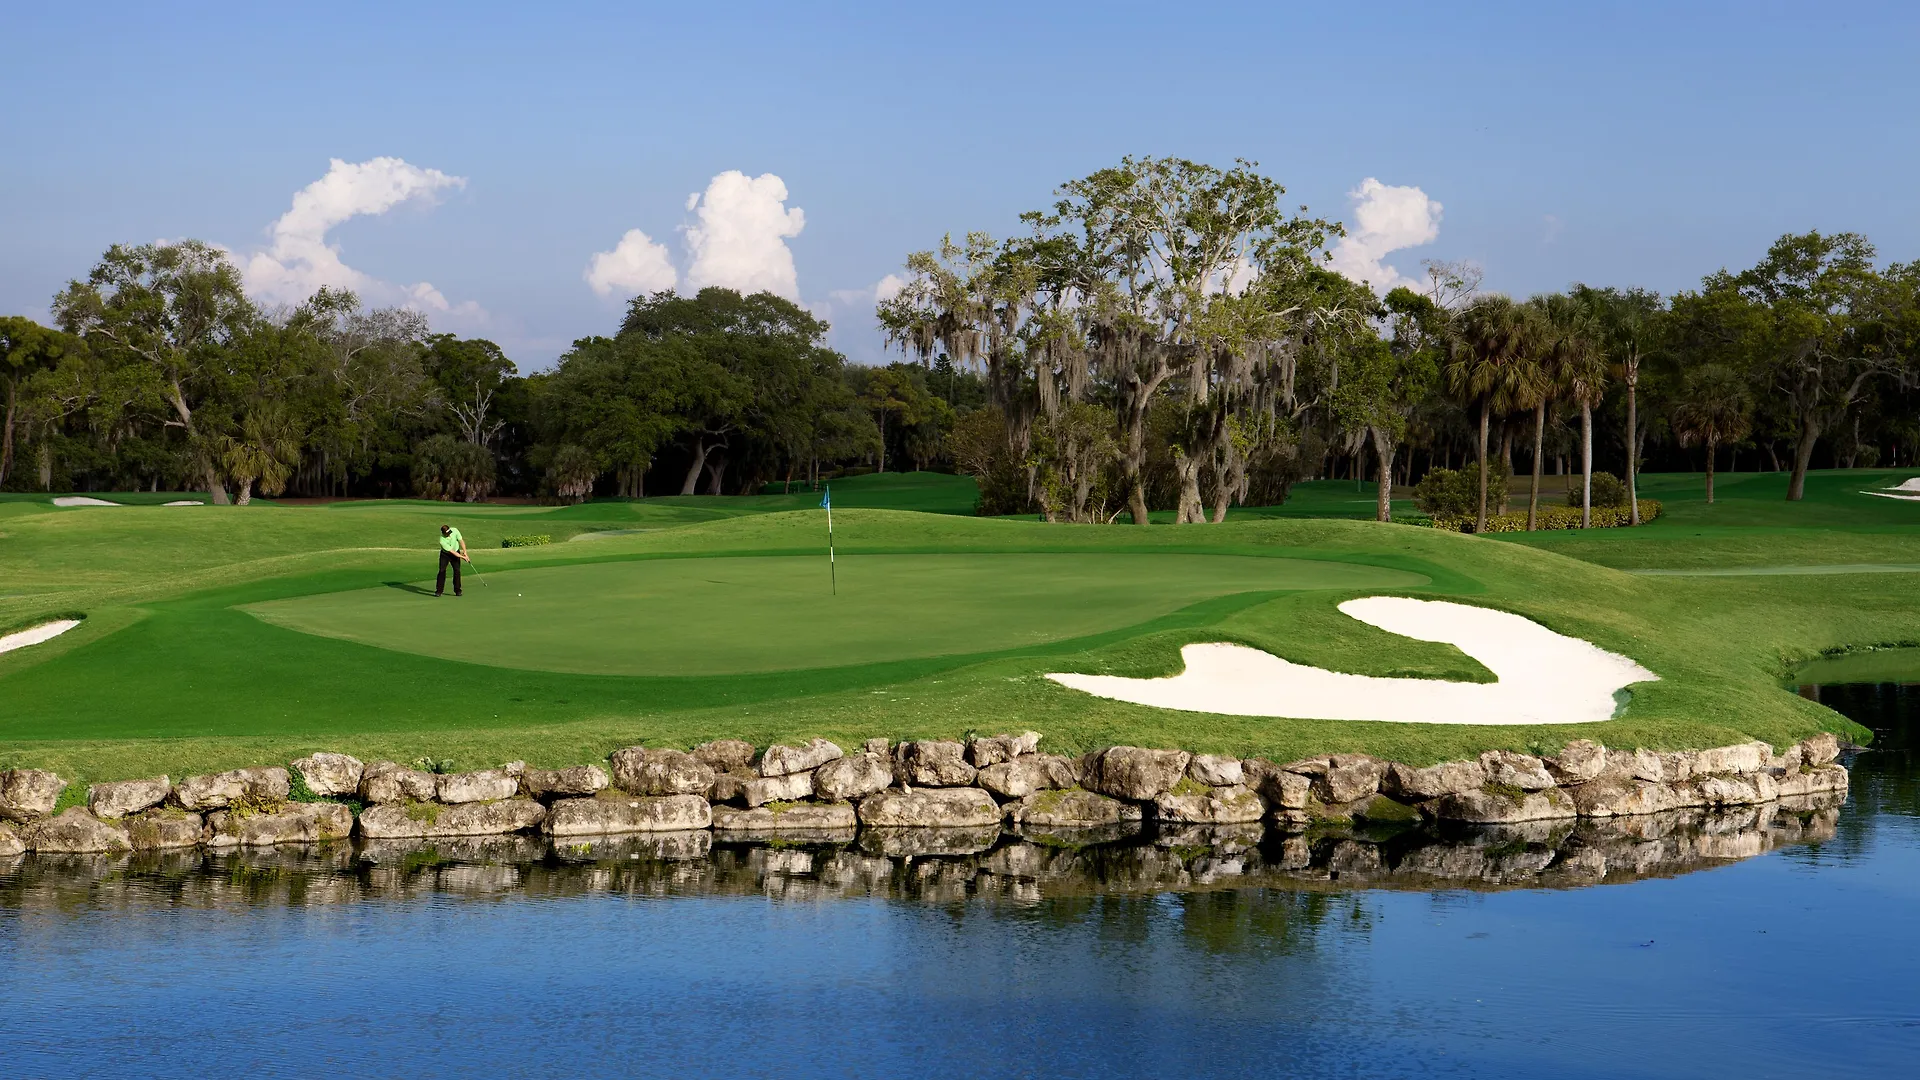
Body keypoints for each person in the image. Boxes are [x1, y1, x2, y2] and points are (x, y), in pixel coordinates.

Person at [436, 523, 469, 596]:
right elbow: (452, 552)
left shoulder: (455, 530)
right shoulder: (442, 540)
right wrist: (463, 557)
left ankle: (457, 590)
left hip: (456, 550)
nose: (449, 535)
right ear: (443, 533)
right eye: (447, 534)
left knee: (457, 570)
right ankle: (439, 591)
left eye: (449, 533)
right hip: (445, 555)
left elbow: (461, 541)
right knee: (442, 571)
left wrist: (465, 552)